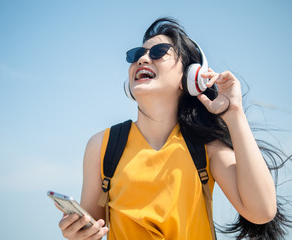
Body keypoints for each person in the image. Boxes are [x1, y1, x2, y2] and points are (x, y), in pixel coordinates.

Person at [57, 17, 290, 240]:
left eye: (158, 53)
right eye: (136, 54)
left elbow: (262, 212)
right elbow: (93, 230)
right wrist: (78, 233)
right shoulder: (101, 145)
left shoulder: (206, 148)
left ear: (189, 76)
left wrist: (234, 113)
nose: (143, 59)